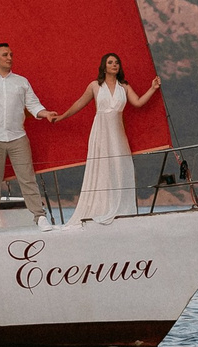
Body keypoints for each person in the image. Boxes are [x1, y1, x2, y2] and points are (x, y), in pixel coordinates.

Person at [53, 52, 160, 223]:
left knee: (120, 167)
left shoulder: (124, 86)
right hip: (100, 132)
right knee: (102, 168)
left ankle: (121, 209)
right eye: (110, 62)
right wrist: (62, 117)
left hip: (118, 134)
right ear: (104, 66)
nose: (114, 65)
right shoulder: (95, 86)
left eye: (117, 62)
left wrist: (153, 88)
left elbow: (138, 102)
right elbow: (79, 103)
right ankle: (101, 207)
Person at [0, 41, 55, 234]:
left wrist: (46, 113)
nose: (9, 58)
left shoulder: (22, 82)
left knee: (27, 178)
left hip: (18, 137)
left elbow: (33, 105)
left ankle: (40, 217)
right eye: (5, 55)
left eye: (11, 55)